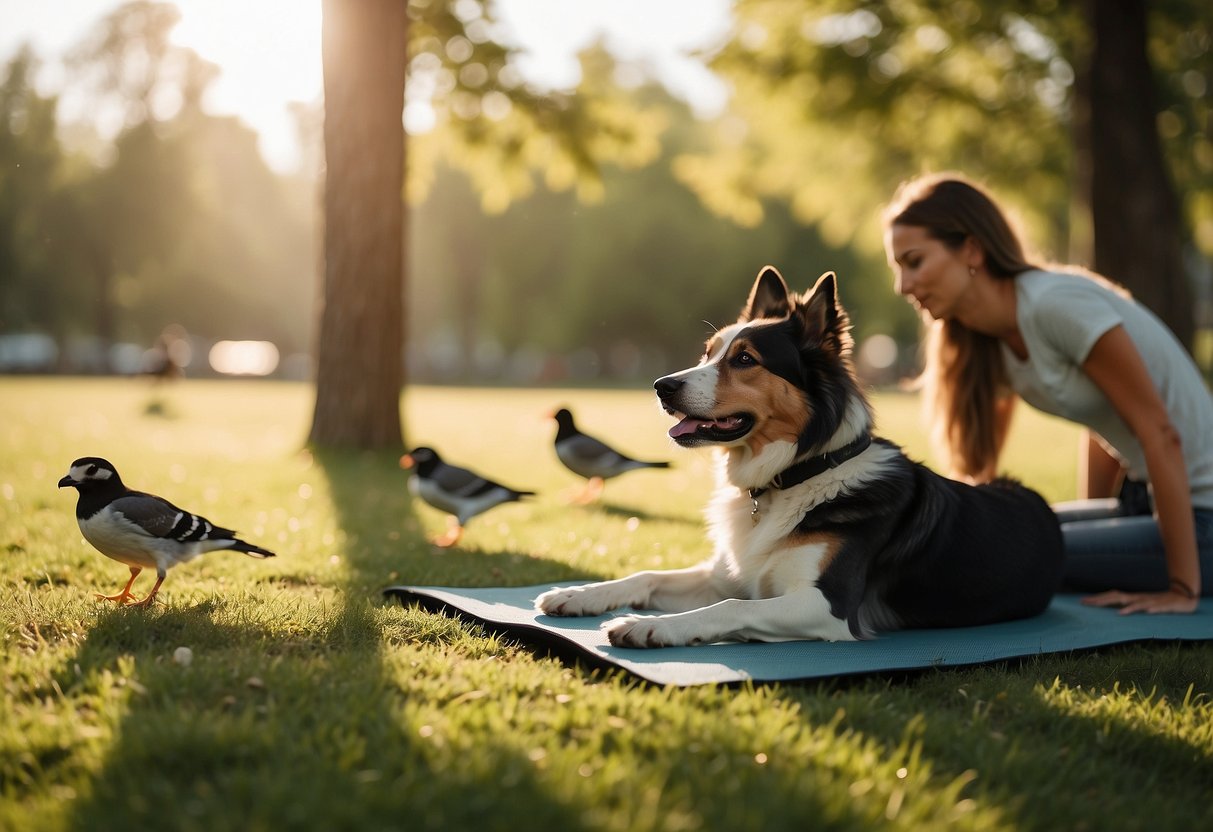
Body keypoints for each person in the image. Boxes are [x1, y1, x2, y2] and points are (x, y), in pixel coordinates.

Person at [882, 172, 1213, 614]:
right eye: (898, 268)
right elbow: (1101, 420)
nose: (903, 286)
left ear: (972, 249)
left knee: (1003, 554)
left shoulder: (1054, 304)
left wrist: (1181, 589)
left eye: (914, 261)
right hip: (1140, 500)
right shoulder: (987, 340)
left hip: (1202, 518)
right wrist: (1100, 511)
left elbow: (1159, 432)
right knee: (1002, 539)